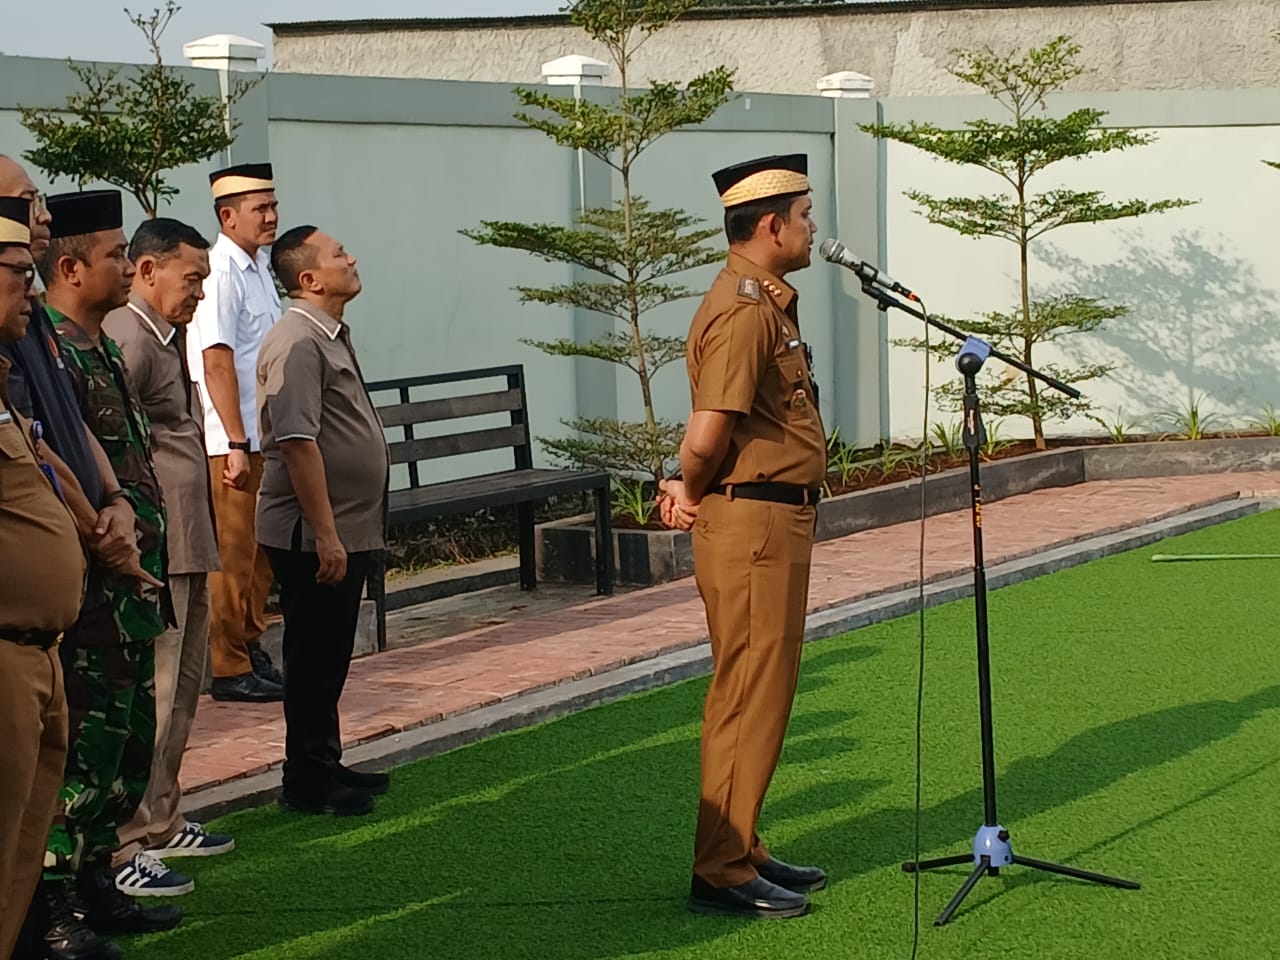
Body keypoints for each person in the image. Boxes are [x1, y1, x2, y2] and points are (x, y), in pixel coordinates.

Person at [657, 154, 829, 920]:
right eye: (804, 216)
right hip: (752, 522)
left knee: (764, 688)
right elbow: (706, 435)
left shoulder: (763, 303)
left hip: (772, 517)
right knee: (748, 691)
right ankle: (721, 866)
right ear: (771, 226)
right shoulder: (746, 311)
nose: (812, 228)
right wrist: (689, 491)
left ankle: (742, 842)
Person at [39, 188, 182, 944]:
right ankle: (57, 906)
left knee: (124, 749)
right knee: (82, 757)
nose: (130, 267)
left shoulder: (101, 346)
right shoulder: (51, 353)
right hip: (93, 592)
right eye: (117, 255)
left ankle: (99, 882)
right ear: (70, 267)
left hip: (133, 591)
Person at [104, 218, 236, 898]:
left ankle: (163, 816)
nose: (199, 293)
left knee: (184, 688)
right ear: (148, 270)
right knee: (155, 693)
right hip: (159, 541)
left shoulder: (164, 332)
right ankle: (128, 837)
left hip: (187, 533)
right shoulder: (127, 337)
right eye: (192, 279)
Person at [256, 225, 390, 816]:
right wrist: (326, 533)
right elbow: (297, 442)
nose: (352, 257)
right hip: (312, 532)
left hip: (342, 526)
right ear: (309, 279)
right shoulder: (298, 340)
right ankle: (306, 779)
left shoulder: (327, 333)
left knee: (330, 653)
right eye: (339, 254)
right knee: (313, 655)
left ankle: (323, 759)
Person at [0, 197, 84, 960]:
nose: (34, 289)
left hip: (38, 657)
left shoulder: (3, 379)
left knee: (19, 866)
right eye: (18, 273)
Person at [188, 162, 285, 702]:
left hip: (261, 437)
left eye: (273, 205)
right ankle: (228, 667)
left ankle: (249, 645)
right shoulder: (221, 272)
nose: (271, 216)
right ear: (228, 217)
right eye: (259, 208)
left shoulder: (259, 267)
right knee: (232, 557)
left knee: (258, 555)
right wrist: (236, 442)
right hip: (233, 441)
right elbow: (217, 361)